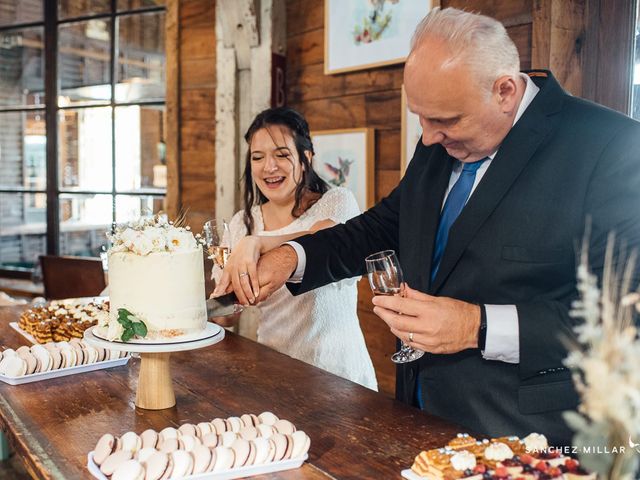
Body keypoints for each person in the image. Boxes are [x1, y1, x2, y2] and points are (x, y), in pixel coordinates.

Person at [216, 8, 640, 445]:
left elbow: (627, 320)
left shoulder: (612, 149)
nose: (430, 136)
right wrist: (292, 257)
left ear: (505, 91)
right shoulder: (439, 140)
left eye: (445, 120)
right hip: (417, 417)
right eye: (420, 117)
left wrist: (478, 326)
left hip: (526, 438)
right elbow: (380, 228)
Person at [211, 107, 377, 391]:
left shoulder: (337, 202)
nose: (269, 167)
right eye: (258, 157)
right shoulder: (242, 223)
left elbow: (325, 239)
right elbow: (225, 315)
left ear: (306, 158)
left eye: (281, 154)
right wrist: (219, 303)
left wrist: (258, 242)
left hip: (338, 373)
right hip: (274, 373)